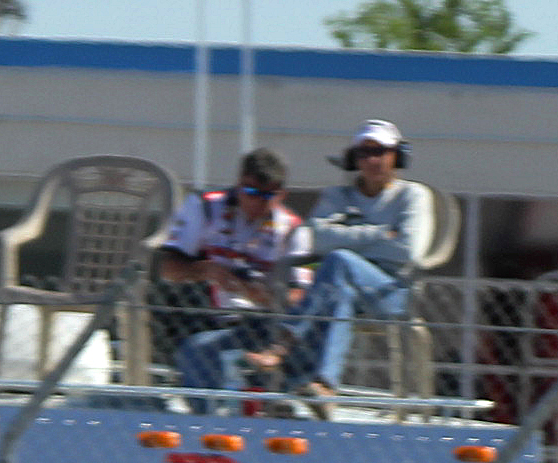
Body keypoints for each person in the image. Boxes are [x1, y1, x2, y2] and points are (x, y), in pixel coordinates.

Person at [290, 121, 434, 400]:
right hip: (346, 291)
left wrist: (345, 238)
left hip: (393, 292)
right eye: (364, 153)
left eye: (379, 152)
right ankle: (323, 386)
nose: (371, 160)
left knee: (339, 260)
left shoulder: (413, 196)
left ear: (397, 156)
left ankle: (286, 340)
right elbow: (315, 238)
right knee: (338, 290)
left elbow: (408, 251)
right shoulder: (336, 196)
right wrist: (380, 234)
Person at [157, 148, 308, 406]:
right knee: (195, 349)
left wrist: (265, 296)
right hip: (206, 316)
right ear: (238, 185)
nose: (257, 202)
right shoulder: (205, 206)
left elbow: (300, 296)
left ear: (282, 194)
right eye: (250, 192)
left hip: (263, 324)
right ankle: (206, 418)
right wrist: (206, 270)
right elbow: (167, 268)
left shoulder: (293, 228)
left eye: (267, 195)